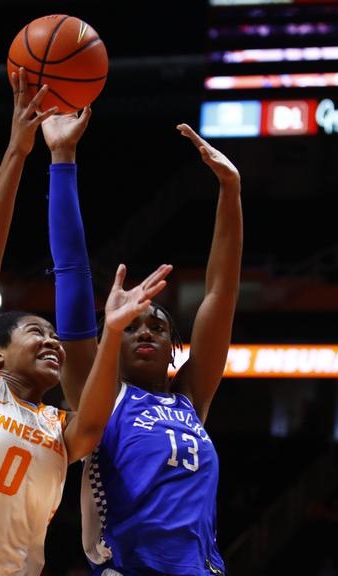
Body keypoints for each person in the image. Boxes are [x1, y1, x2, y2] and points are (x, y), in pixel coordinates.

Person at [0, 69, 173, 576]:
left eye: (55, 334)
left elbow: (95, 406)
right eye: (37, 331)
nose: (54, 341)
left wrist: (111, 331)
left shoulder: (62, 431)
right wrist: (18, 152)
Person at [44, 111, 242, 575]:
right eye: (131, 326)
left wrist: (230, 191)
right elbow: (72, 274)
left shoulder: (191, 398)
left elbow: (220, 294)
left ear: (175, 344)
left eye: (155, 325)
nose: (144, 330)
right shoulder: (101, 399)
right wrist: (62, 157)